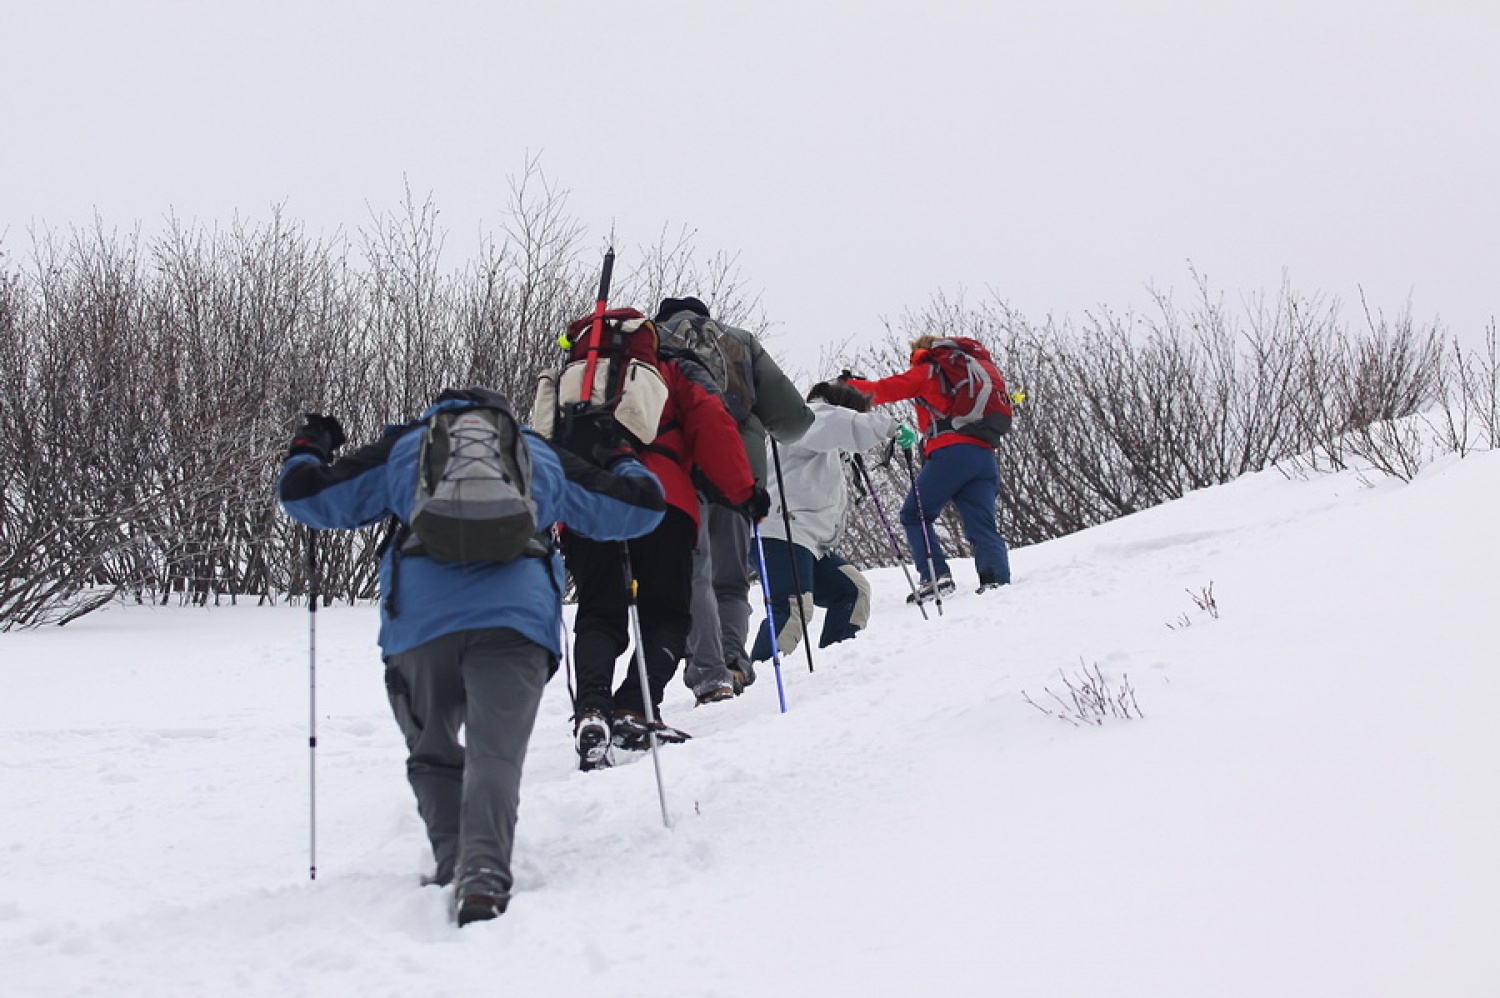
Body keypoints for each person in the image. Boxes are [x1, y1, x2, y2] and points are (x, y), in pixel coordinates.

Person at [277, 387, 666, 927]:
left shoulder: (406, 449)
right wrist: (621, 457)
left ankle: (450, 862)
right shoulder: (539, 454)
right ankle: (482, 877)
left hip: (421, 624)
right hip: (516, 623)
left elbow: (305, 498)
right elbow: (639, 511)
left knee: (433, 749)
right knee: (494, 756)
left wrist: (309, 446)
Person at [556, 308, 764, 771]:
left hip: (586, 501)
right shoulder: (673, 367)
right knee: (668, 614)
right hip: (661, 501)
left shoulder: (577, 377)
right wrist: (743, 492)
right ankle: (633, 708)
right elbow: (713, 421)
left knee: (598, 611)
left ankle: (591, 709)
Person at [653, 296, 815, 705]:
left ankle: (711, 676)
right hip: (740, 473)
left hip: (682, 471)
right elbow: (794, 419)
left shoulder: (653, 342)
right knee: (731, 579)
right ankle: (736, 662)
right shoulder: (739, 340)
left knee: (695, 574)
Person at [749, 380, 911, 664]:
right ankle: (761, 679)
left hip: (805, 538)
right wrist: (890, 427)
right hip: (783, 530)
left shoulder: (814, 433)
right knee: (792, 607)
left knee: (851, 591)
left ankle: (834, 665)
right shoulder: (810, 416)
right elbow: (841, 423)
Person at [847, 337, 1013, 598]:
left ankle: (936, 577)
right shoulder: (970, 372)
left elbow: (881, 390)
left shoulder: (930, 371)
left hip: (951, 452)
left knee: (914, 514)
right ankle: (996, 580)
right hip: (983, 456)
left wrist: (843, 387)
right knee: (981, 523)